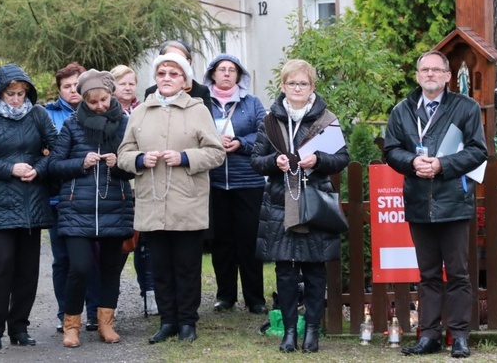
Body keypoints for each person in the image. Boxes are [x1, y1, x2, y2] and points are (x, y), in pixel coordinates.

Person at [384, 51, 487, 359]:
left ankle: (459, 336)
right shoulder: (402, 111)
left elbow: (478, 150)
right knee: (427, 274)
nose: (429, 74)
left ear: (447, 76)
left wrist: (441, 165)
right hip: (418, 201)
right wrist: (413, 162)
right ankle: (428, 335)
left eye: (436, 70)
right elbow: (390, 150)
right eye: (424, 70)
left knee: (457, 273)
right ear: (417, 76)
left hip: (453, 200)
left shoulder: (465, 107)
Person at [118, 52, 225, 344]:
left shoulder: (198, 110)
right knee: (160, 266)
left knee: (187, 266)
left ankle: (188, 322)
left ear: (185, 81)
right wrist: (140, 159)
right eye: (162, 73)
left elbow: (217, 152)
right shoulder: (140, 112)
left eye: (173, 74)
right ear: (155, 78)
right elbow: (123, 155)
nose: (167, 78)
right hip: (152, 200)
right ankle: (168, 322)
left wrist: (185, 157)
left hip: (187, 200)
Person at [251, 59, 350, 354]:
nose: (297, 88)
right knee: (286, 270)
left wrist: (318, 160)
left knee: (315, 270)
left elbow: (342, 158)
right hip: (282, 201)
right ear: (283, 87)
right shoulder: (270, 120)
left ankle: (312, 332)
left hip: (314, 200)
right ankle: (290, 332)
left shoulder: (327, 120)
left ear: (312, 88)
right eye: (292, 83)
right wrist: (275, 162)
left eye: (303, 84)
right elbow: (256, 161)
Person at [0, 64, 58, 351]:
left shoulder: (38, 114)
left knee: (28, 269)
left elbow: (56, 149)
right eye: (11, 93)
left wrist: (39, 170)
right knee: (2, 263)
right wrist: (10, 168)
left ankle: (19, 327)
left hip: (32, 200)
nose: (17, 99)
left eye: (21, 93)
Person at [48, 70, 135, 347]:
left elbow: (135, 167)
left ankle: (105, 324)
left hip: (115, 206)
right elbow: (53, 166)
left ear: (111, 95)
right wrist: (80, 163)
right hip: (76, 210)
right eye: (93, 101)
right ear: (84, 100)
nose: (99, 106)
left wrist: (119, 164)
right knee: (80, 268)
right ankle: (71, 326)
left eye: (104, 100)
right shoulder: (72, 124)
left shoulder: (126, 124)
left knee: (111, 269)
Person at [203, 54, 268, 314]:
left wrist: (241, 143)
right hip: (215, 182)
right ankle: (225, 296)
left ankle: (255, 299)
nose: (227, 74)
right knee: (222, 242)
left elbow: (264, 132)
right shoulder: (201, 104)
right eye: (222, 69)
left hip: (248, 182)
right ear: (213, 74)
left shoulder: (251, 103)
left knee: (249, 242)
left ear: (239, 76)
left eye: (232, 70)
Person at [44, 62, 102, 333]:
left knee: (91, 258)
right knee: (63, 260)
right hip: (58, 197)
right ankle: (65, 312)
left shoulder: (97, 113)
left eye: (75, 85)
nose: (71, 91)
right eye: (65, 86)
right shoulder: (46, 114)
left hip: (92, 198)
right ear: (59, 90)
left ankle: (93, 312)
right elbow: (46, 154)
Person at [110, 64, 157, 316]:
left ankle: (150, 294)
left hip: (144, 184)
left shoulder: (145, 110)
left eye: (131, 83)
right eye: (122, 83)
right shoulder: (108, 113)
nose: (127, 88)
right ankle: (109, 300)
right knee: (121, 245)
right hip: (120, 185)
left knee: (146, 244)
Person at [144, 40, 211, 111]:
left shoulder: (201, 92)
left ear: (188, 62)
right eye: (169, 57)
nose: (174, 61)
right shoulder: (151, 93)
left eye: (180, 58)